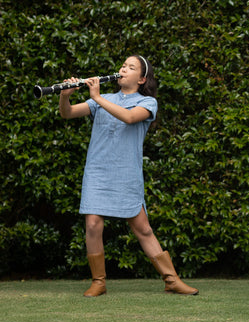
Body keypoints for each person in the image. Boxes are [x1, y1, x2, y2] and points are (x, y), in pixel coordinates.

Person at [58, 55, 198, 297]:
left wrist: (97, 97)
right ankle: (98, 282)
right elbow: (67, 113)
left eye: (131, 67)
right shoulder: (104, 99)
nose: (123, 69)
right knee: (92, 224)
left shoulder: (147, 102)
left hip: (126, 173)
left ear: (142, 79)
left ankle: (171, 279)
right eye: (123, 65)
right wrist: (64, 95)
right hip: (97, 171)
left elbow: (130, 117)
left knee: (142, 228)